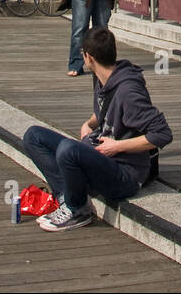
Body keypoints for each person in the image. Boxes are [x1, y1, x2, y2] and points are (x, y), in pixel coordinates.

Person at [22, 27, 172, 232]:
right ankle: (68, 198)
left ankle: (77, 211)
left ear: (89, 57)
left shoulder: (129, 90)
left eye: (82, 53)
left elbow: (162, 133)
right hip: (101, 156)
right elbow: (106, 109)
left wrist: (118, 146)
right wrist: (89, 124)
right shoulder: (102, 78)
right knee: (33, 136)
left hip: (125, 174)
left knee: (68, 150)